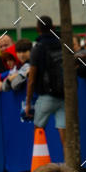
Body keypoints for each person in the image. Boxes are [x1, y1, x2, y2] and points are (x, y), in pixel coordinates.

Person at [26, 15, 66, 151]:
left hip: (46, 96)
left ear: (38, 29)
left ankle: (39, 162)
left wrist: (28, 103)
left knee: (38, 129)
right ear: (53, 27)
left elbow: (31, 79)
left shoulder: (37, 48)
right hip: (65, 95)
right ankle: (70, 164)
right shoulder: (63, 44)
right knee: (64, 132)